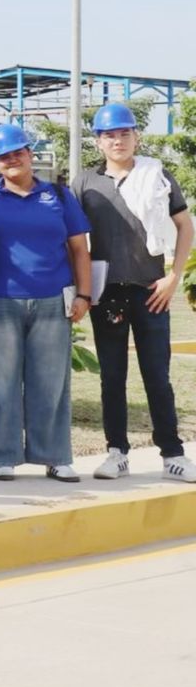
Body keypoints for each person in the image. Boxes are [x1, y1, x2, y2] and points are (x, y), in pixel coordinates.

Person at [76, 102, 195, 483]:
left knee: (156, 376)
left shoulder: (157, 175)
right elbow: (73, 241)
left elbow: (185, 226)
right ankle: (116, 452)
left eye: (124, 133)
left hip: (151, 291)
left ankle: (173, 454)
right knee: (112, 376)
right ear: (98, 141)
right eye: (109, 135)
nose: (118, 140)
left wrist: (173, 276)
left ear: (135, 136)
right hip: (106, 292)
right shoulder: (84, 182)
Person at [0, 123, 92, 480]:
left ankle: (54, 455)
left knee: (51, 380)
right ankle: (3, 455)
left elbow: (79, 249)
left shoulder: (58, 194)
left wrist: (84, 294)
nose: (12, 160)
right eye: (4, 157)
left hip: (53, 299)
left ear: (30, 154)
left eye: (18, 153)